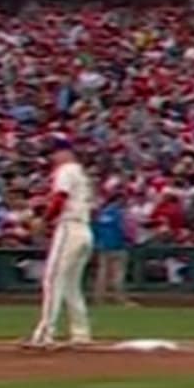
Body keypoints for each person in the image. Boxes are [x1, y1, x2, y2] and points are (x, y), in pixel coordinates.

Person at [22, 139, 98, 351]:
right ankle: (81, 334)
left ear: (64, 152)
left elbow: (60, 198)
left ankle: (45, 334)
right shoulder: (81, 173)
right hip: (84, 230)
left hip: (69, 228)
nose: (51, 158)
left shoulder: (66, 170)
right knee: (71, 285)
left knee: (53, 281)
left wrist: (44, 220)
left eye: (53, 153)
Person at [90, 182, 135, 308]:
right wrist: (129, 240)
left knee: (102, 275)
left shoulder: (102, 213)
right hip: (118, 246)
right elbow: (125, 229)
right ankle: (119, 299)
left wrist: (97, 244)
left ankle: (99, 299)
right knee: (118, 275)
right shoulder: (120, 213)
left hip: (103, 246)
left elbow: (95, 230)